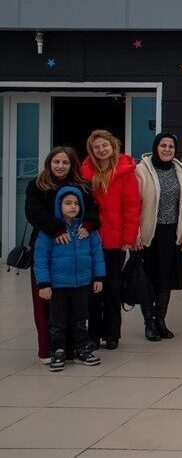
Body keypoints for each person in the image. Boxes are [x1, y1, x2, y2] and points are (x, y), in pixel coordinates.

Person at [25, 147, 100, 363]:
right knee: (46, 303)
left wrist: (88, 224)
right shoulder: (37, 186)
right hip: (48, 249)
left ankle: (73, 349)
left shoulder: (82, 187)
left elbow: (93, 211)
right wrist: (56, 229)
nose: (60, 166)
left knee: (75, 305)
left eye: (65, 162)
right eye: (56, 162)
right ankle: (48, 350)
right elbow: (33, 212)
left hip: (77, 254)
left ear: (72, 165)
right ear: (49, 163)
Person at [33, 186, 105, 371]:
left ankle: (81, 349)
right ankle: (57, 351)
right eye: (68, 203)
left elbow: (97, 255)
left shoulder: (87, 231)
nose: (73, 207)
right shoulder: (50, 232)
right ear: (59, 206)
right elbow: (40, 259)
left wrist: (98, 277)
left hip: (82, 284)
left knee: (80, 319)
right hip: (57, 286)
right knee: (57, 322)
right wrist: (43, 284)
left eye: (76, 203)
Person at [81, 130, 141, 350]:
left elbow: (132, 207)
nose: (101, 150)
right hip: (92, 240)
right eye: (96, 147)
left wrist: (129, 237)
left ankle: (112, 333)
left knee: (113, 289)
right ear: (92, 150)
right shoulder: (85, 172)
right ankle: (93, 334)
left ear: (112, 145)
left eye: (104, 145)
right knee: (94, 290)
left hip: (116, 241)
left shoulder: (125, 172)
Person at [135, 133, 182, 341]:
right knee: (148, 280)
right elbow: (133, 205)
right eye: (163, 145)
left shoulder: (181, 171)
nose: (167, 149)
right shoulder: (142, 171)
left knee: (166, 279)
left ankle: (160, 319)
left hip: (172, 234)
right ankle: (149, 322)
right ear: (156, 147)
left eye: (171, 146)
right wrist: (135, 234)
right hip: (149, 235)